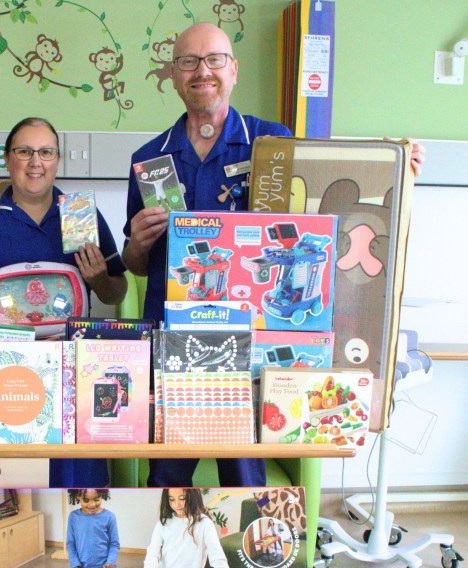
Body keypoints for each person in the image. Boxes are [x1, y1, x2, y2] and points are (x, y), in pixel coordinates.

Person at [123, 23, 426, 488]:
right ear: (174, 74)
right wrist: (138, 244)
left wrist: (392, 162)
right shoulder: (150, 160)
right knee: (168, 469)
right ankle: (170, 558)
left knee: (245, 472)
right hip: (174, 339)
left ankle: (252, 555)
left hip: (256, 335)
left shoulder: (274, 144)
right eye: (188, 61)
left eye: (214, 60)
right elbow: (136, 264)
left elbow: (329, 200)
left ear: (233, 69)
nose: (202, 71)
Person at [0, 117, 128, 487]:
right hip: (10, 371)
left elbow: (117, 291)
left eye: (46, 152)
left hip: (71, 367)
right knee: (14, 482)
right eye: (24, 151)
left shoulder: (80, 215)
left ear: (57, 159)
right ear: (7, 158)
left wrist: (98, 279)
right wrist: (0, 352)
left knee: (77, 484)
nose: (36, 162)